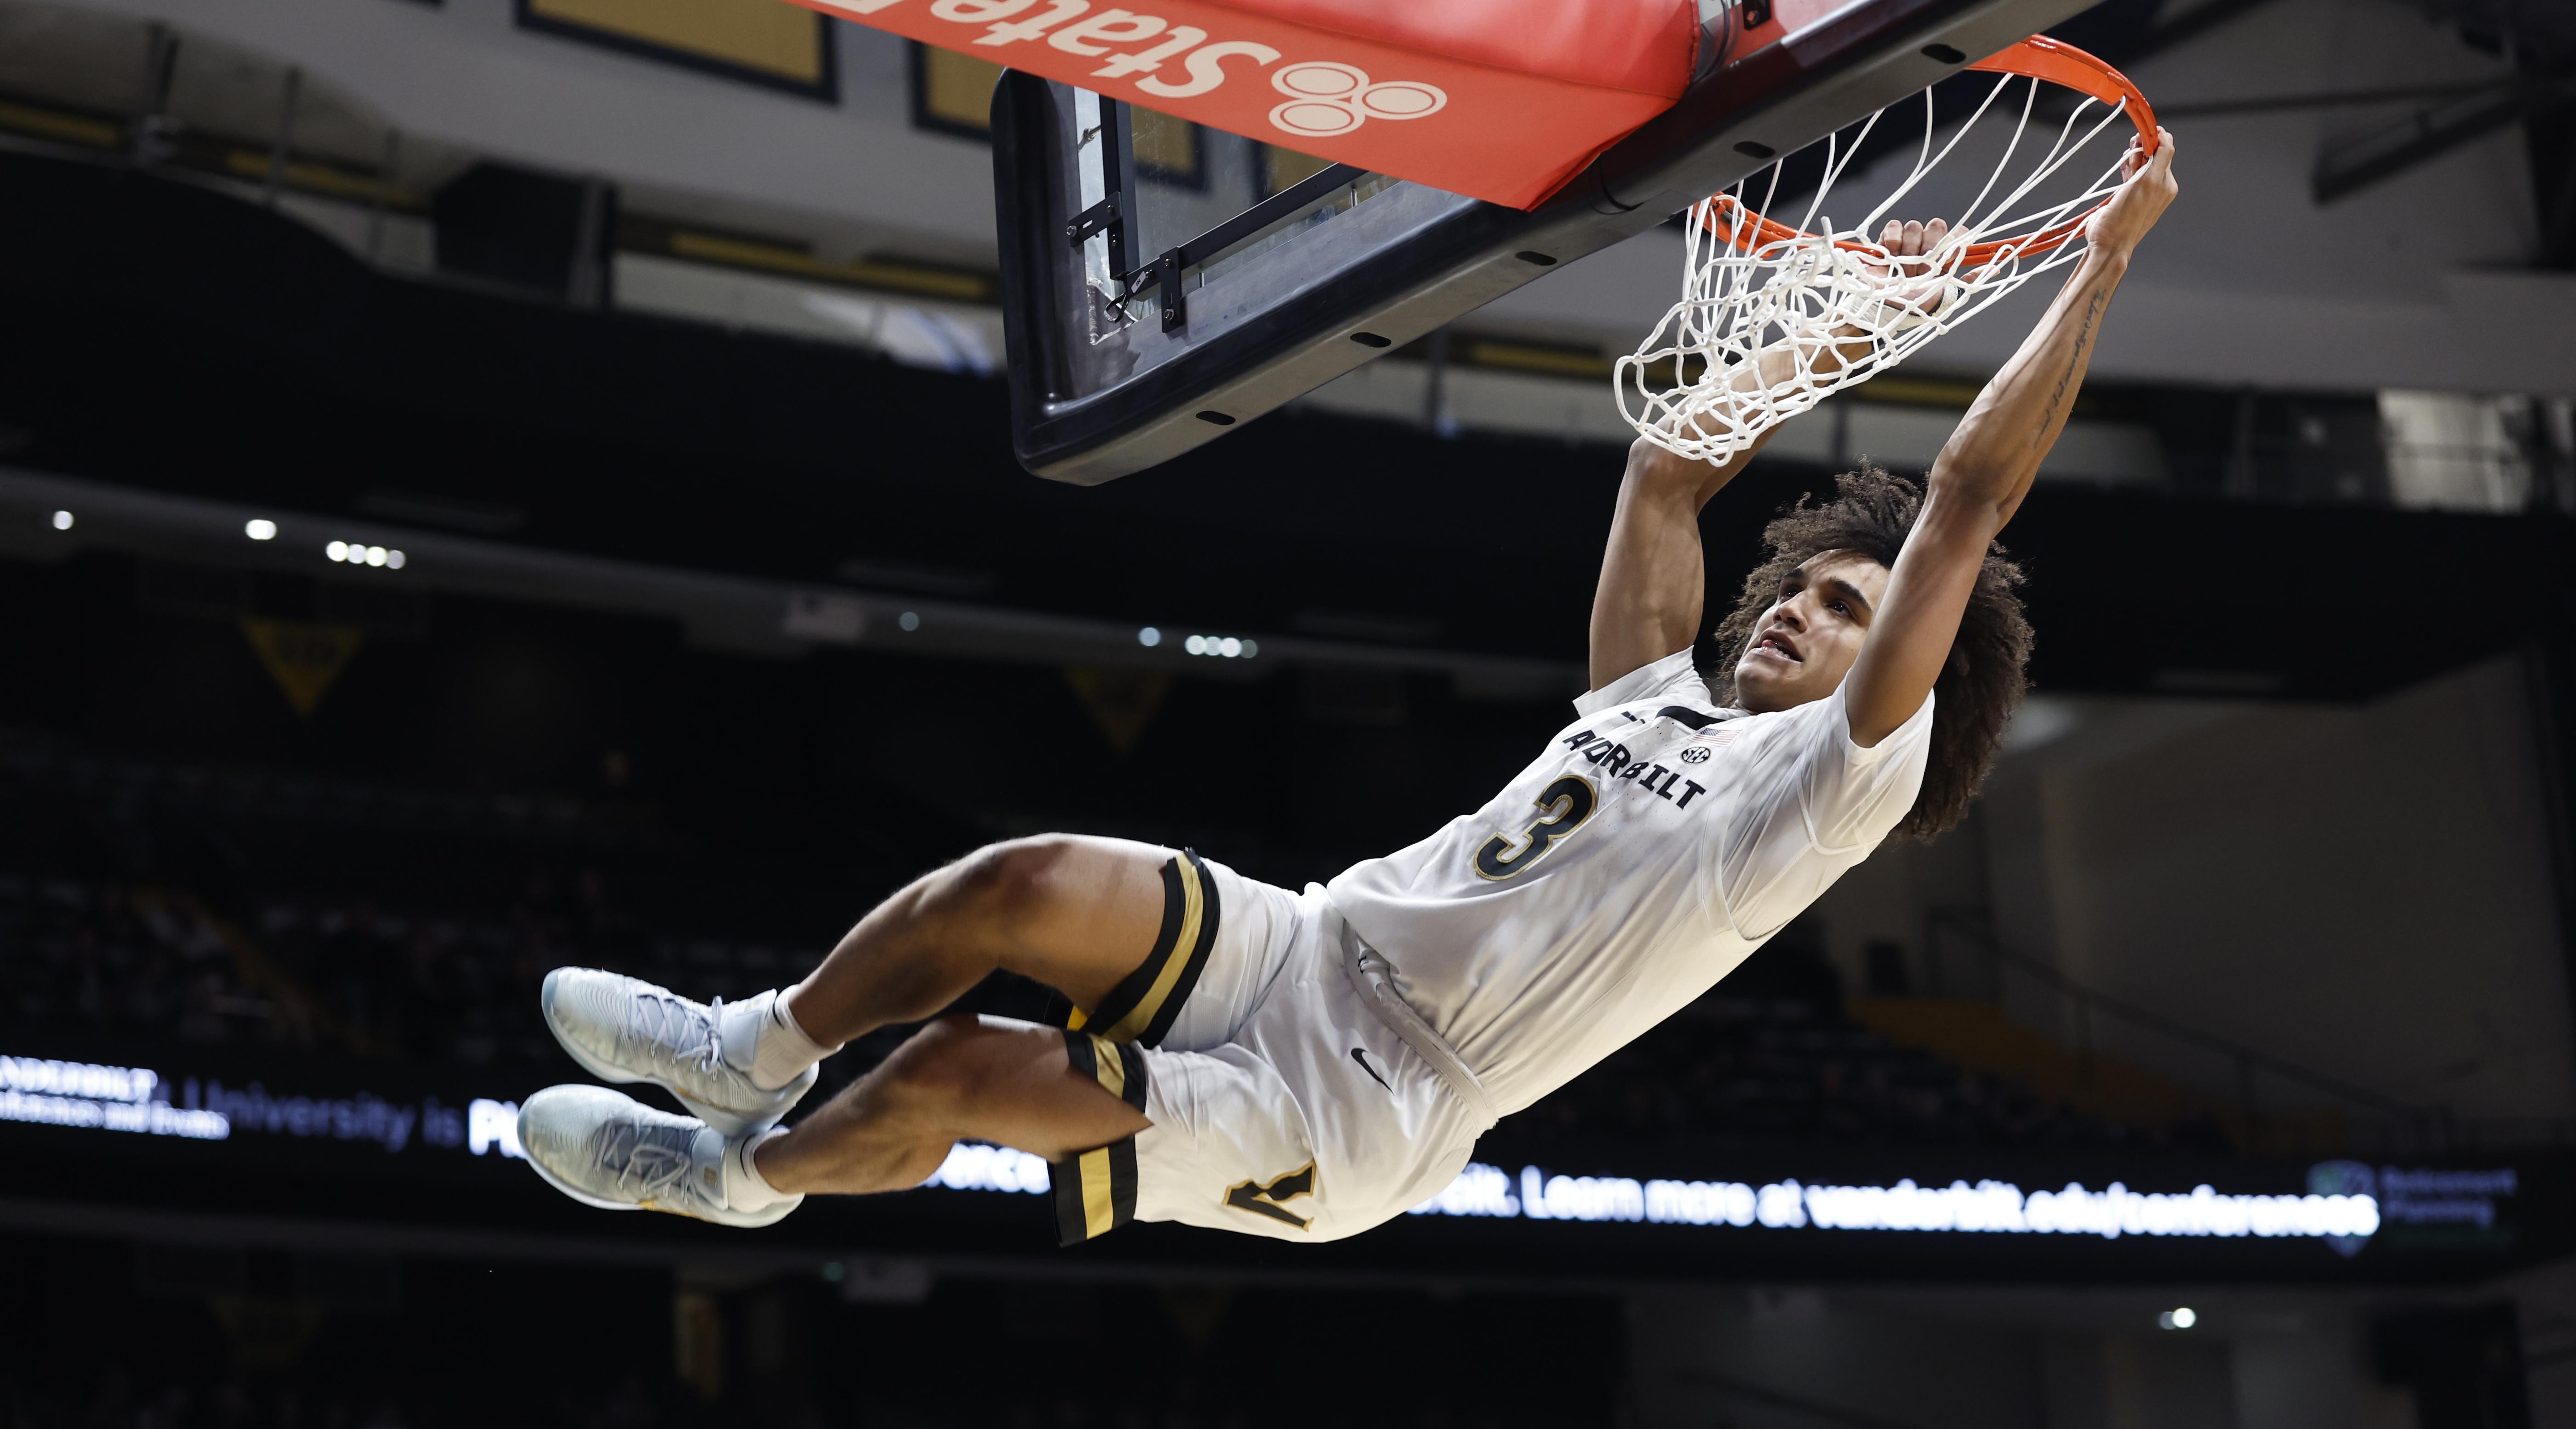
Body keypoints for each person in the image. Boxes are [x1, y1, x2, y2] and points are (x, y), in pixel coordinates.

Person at [515, 130, 2180, 1243]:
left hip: (1364, 1098)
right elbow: (1670, 480)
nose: (1804, 613)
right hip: (1307, 940)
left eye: (1846, 609)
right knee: (1013, 881)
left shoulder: (1826, 789)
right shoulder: (1648, 701)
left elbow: (1965, 502)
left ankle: (739, 1176)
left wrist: (2095, 258)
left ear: (1901, 674)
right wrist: (1810, 327)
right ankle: (750, 1044)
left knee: (954, 1072)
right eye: (1806, 583)